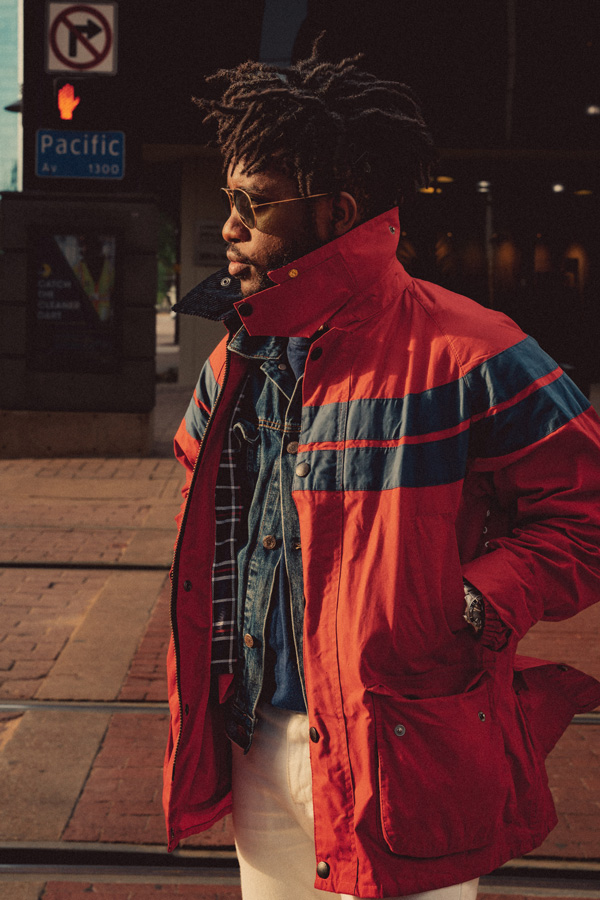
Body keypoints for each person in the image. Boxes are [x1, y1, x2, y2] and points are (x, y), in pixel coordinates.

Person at [163, 42, 600, 900]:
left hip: (404, 750)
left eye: (251, 203)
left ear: (336, 212)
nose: (228, 226)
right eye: (227, 201)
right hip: (258, 742)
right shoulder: (237, 358)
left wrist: (474, 598)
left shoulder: (469, 350)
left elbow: (588, 515)